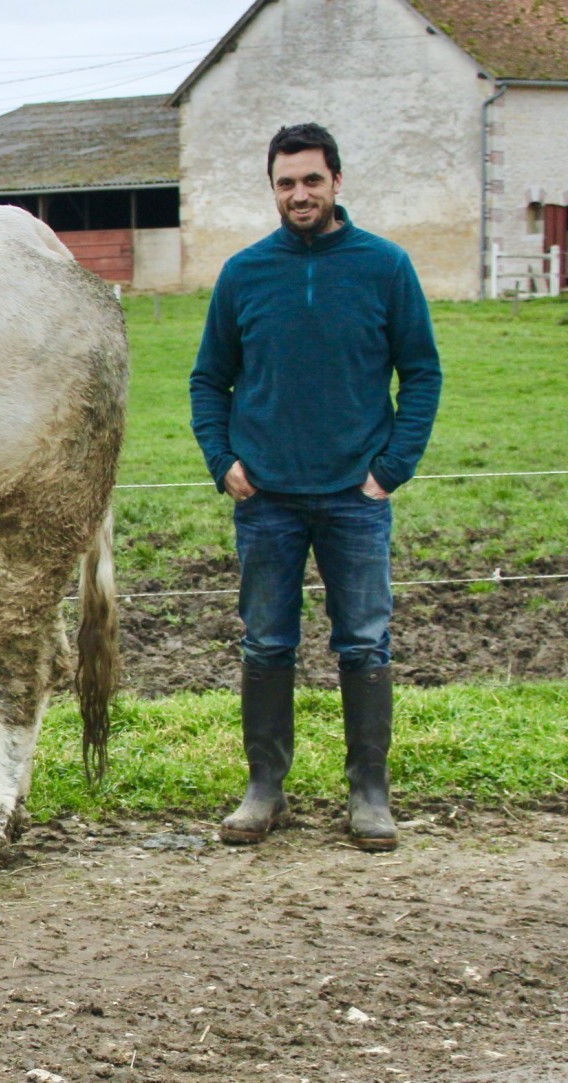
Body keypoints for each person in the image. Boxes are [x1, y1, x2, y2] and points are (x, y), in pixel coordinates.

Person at [190, 122, 441, 854]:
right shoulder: (243, 274)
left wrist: (389, 469)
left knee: (364, 642)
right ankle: (264, 786)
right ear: (272, 187)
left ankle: (369, 791)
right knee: (267, 644)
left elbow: (421, 371)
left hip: (353, 497)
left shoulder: (385, 267)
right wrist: (222, 459)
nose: (299, 194)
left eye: (311, 180)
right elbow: (210, 377)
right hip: (264, 496)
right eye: (285, 182)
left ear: (337, 181)